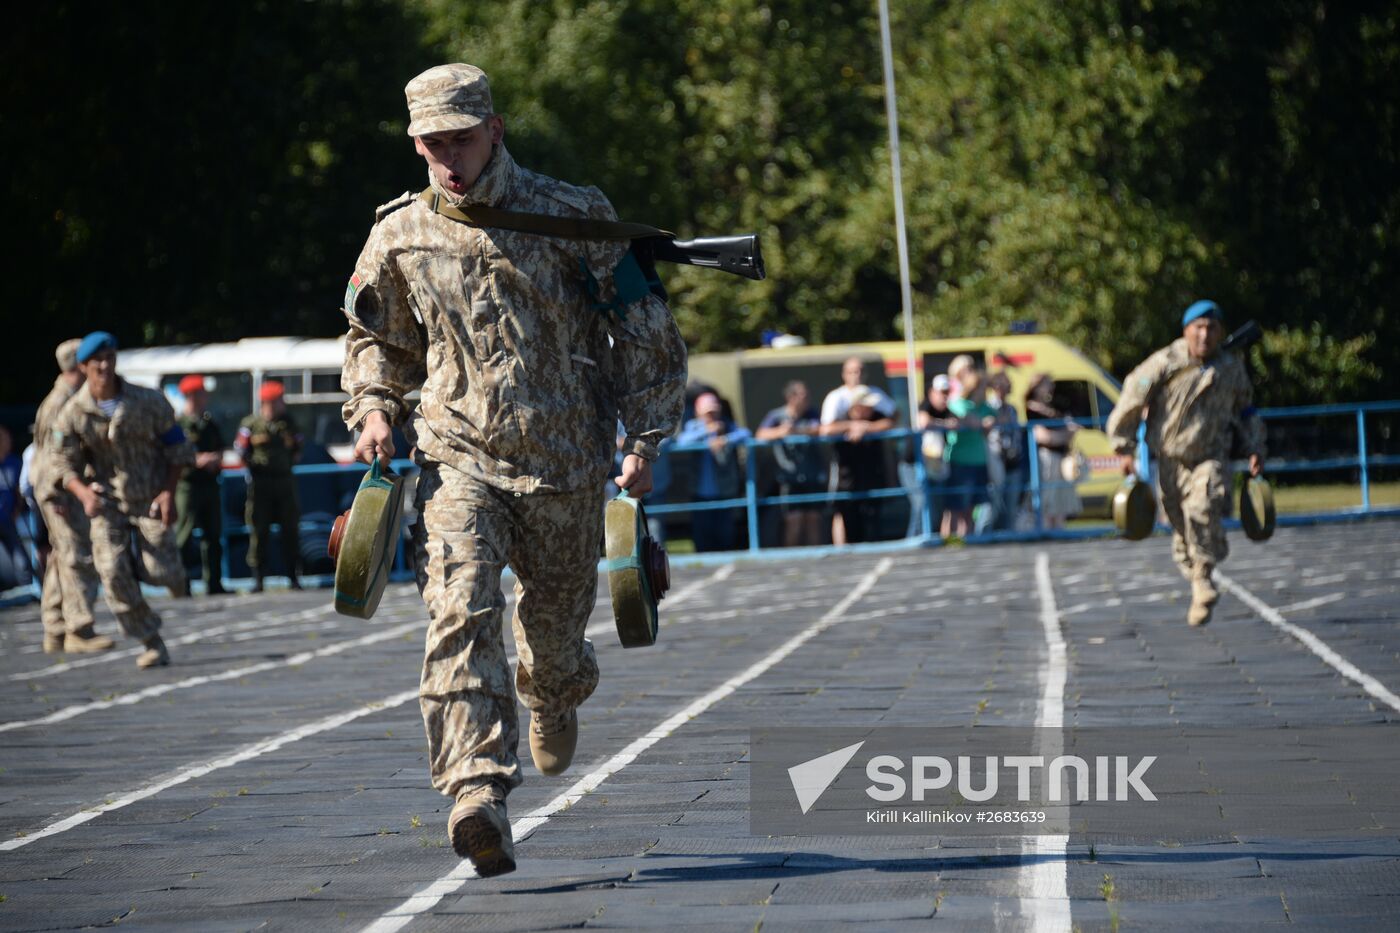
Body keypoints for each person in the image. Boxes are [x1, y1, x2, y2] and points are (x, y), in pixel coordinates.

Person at [340, 63, 686, 877]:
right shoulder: (398, 233)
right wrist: (375, 407)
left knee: (553, 646)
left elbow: (644, 328)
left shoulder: (574, 214)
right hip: (459, 456)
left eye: (461, 139)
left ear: (494, 128)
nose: (449, 160)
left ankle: (555, 690)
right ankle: (475, 793)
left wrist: (646, 438)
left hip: (567, 465)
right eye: (432, 145)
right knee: (458, 608)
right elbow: (374, 341)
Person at [1106, 300, 1265, 627]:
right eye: (1199, 328)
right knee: (1181, 525)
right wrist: (1123, 447)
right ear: (1186, 331)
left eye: (1212, 328)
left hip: (1211, 456)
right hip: (1170, 459)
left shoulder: (1230, 368)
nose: (1205, 335)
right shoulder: (1165, 363)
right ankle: (1196, 574)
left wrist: (1255, 446)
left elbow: (1246, 409)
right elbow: (1132, 400)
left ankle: (1203, 579)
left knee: (1202, 509)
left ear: (1220, 332)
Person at [52, 331, 192, 668]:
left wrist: (168, 492)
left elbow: (179, 447)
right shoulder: (73, 413)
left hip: (149, 498)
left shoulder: (148, 400)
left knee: (162, 573)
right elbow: (61, 463)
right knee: (111, 572)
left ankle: (171, 576)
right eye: (97, 360)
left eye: (110, 358)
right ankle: (150, 640)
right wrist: (83, 493)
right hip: (107, 503)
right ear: (83, 366)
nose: (104, 365)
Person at [30, 339, 108, 653]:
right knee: (76, 557)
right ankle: (79, 629)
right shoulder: (60, 404)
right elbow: (51, 457)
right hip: (59, 490)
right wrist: (57, 495)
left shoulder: (66, 398)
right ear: (80, 366)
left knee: (62, 557)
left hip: (61, 488)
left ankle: (55, 629)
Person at [236, 381, 303, 592]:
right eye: (278, 401)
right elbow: (240, 449)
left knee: (290, 529)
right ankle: (258, 579)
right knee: (258, 530)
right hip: (260, 484)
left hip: (284, 482)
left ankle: (293, 576)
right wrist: (251, 464)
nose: (282, 404)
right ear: (267, 402)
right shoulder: (251, 424)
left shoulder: (289, 423)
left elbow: (299, 447)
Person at [675, 392, 751, 552]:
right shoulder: (693, 426)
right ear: (699, 412)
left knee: (725, 535)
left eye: (714, 411)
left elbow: (746, 434)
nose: (712, 415)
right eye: (708, 412)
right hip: (700, 492)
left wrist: (725, 439)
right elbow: (683, 441)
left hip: (724, 490)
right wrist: (706, 432)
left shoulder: (728, 425)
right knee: (702, 537)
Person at [821, 385, 896, 545]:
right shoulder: (841, 418)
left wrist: (867, 427)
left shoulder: (875, 417)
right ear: (856, 406)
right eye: (866, 406)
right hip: (847, 482)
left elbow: (890, 422)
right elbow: (826, 429)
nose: (871, 409)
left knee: (873, 522)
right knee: (850, 521)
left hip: (871, 478)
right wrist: (851, 426)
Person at [175, 375, 227, 595]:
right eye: (201, 394)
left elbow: (220, 447)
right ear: (191, 395)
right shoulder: (179, 425)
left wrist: (215, 459)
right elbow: (172, 453)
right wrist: (196, 460)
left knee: (213, 535)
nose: (205, 398)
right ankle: (181, 583)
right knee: (183, 536)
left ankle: (213, 583)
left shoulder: (208, 423)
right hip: (187, 485)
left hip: (209, 483)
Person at [756, 380, 824, 547]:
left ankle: (815, 559)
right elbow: (760, 434)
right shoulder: (777, 416)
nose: (807, 398)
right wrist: (780, 431)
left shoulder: (812, 414)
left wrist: (798, 430)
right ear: (791, 397)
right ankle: (792, 558)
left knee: (813, 519)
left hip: (812, 476)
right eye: (803, 394)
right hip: (789, 477)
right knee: (794, 520)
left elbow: (821, 429)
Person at [943, 367, 995, 538]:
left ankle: (968, 542)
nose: (986, 391)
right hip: (960, 462)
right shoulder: (957, 403)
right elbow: (972, 422)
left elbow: (999, 418)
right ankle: (949, 543)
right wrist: (983, 423)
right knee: (954, 509)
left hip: (978, 462)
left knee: (971, 509)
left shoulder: (983, 407)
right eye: (983, 387)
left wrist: (989, 421)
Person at [1025, 372, 1082, 529]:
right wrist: (1067, 433)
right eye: (1047, 384)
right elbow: (1044, 437)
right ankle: (1046, 534)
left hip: (1060, 457)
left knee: (1060, 502)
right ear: (1036, 387)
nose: (1051, 387)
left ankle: (1058, 532)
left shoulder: (1053, 407)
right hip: (1046, 459)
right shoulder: (1031, 409)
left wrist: (1066, 434)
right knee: (1047, 500)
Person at [984, 371, 1027, 532]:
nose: (1007, 388)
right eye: (1003, 384)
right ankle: (983, 539)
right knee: (992, 508)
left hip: (1013, 461)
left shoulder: (1012, 409)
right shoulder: (989, 407)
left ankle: (1009, 542)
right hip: (996, 461)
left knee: (1011, 507)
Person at [917, 374, 957, 536]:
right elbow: (924, 422)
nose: (944, 396)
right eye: (941, 392)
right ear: (932, 392)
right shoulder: (925, 405)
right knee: (921, 505)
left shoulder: (947, 410)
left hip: (936, 465)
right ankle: (916, 541)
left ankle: (941, 539)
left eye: (947, 392)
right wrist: (945, 425)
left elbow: (957, 422)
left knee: (940, 506)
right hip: (915, 464)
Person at [0, 425, 30, 591]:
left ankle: (27, 588)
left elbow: (20, 490)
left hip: (8, 520)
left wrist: (17, 511)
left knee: (21, 560)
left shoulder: (14, 463)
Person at [819, 356, 870, 425]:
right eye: (853, 372)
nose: (858, 375)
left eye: (861, 371)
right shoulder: (835, 396)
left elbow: (889, 418)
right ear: (844, 374)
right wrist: (853, 427)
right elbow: (827, 427)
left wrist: (867, 427)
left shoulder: (874, 392)